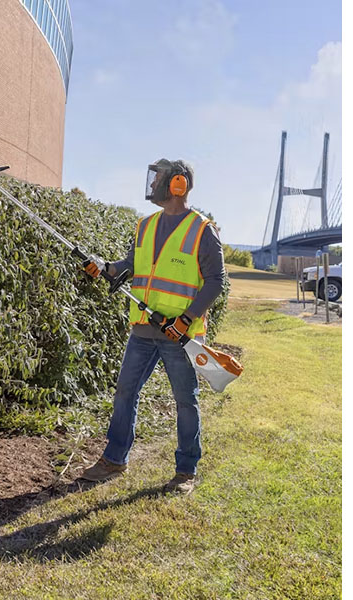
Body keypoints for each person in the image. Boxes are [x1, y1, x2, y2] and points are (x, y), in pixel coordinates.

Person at [78, 159, 226, 495]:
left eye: (158, 179)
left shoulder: (202, 230)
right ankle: (114, 459)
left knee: (185, 401)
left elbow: (216, 281)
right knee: (125, 392)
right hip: (144, 329)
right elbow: (129, 266)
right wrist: (103, 267)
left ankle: (186, 472)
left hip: (180, 334)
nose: (152, 184)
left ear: (177, 185)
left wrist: (186, 320)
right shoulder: (145, 225)